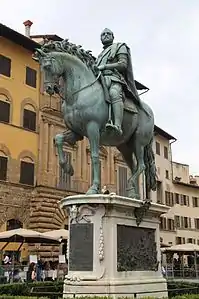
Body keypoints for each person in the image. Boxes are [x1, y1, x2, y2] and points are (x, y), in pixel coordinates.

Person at [96, 28, 145, 136]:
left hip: (114, 78)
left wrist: (105, 66)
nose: (106, 35)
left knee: (114, 93)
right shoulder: (100, 55)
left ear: (113, 37)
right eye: (103, 34)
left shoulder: (119, 46)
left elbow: (123, 64)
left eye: (108, 34)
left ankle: (117, 125)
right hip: (101, 79)